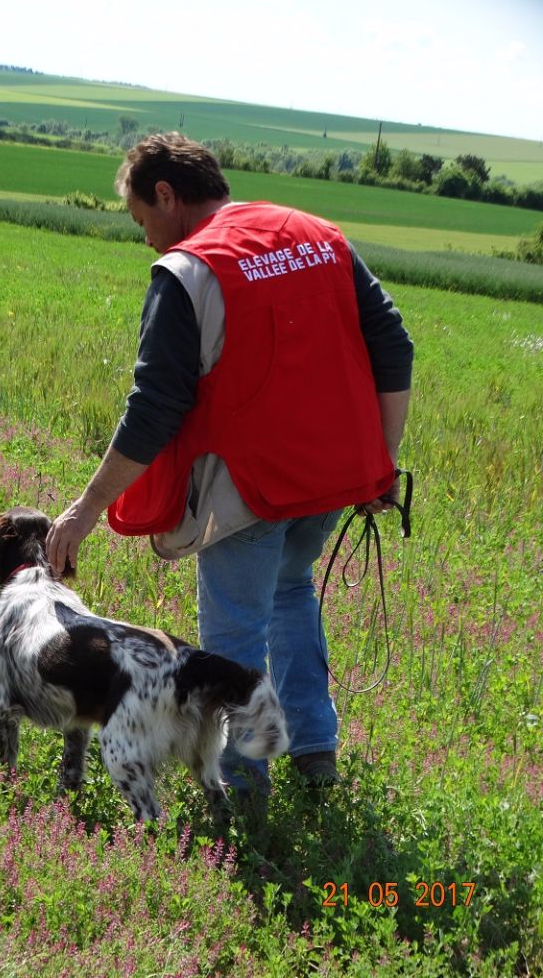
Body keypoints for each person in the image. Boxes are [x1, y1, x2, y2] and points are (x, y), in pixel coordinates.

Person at [47, 133, 413, 793]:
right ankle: (314, 750)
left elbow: (154, 410)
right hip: (329, 480)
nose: (149, 240)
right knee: (292, 591)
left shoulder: (188, 271)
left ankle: (243, 791)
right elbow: (394, 344)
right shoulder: (318, 236)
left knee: (235, 635)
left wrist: (84, 511)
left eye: (143, 219)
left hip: (248, 489)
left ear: (166, 195)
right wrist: (379, 464)